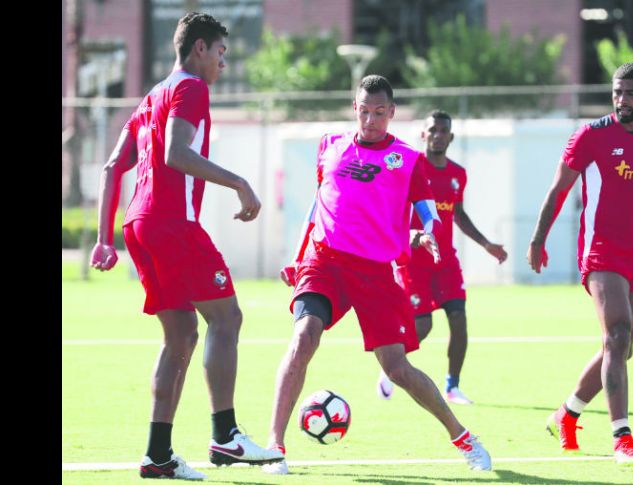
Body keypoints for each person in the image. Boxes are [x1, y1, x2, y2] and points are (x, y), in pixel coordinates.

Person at [261, 75, 492, 475]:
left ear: (392, 112)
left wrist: (428, 232)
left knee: (397, 369)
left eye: (379, 112)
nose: (370, 120)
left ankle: (464, 438)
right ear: (355, 108)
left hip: (374, 271)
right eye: (364, 111)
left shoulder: (407, 159)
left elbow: (427, 210)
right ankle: (274, 447)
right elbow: (318, 205)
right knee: (303, 338)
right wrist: (298, 257)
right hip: (325, 261)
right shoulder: (330, 145)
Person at [89, 12, 284, 480]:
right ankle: (226, 436)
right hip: (171, 222)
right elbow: (176, 153)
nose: (223, 62)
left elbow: (112, 168)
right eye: (220, 52)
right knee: (227, 318)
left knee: (180, 336)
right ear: (200, 48)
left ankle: (158, 454)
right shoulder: (192, 88)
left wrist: (103, 239)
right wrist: (239, 183)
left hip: (139, 225)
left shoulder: (152, 95)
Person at [526, 63, 633, 466]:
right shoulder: (591, 135)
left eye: (630, 93)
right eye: (617, 92)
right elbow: (558, 189)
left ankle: (566, 414)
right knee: (618, 334)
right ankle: (622, 438)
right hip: (601, 252)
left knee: (623, 347)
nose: (621, 99)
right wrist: (538, 239)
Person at [376, 110, 508, 405]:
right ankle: (390, 366)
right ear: (423, 134)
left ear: (451, 137)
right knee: (423, 325)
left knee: (459, 319)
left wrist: (486, 244)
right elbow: (392, 208)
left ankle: (453, 386)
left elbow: (457, 214)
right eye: (432, 130)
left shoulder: (457, 174)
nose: (437, 135)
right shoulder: (411, 168)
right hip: (415, 261)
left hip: (445, 262)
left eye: (443, 131)